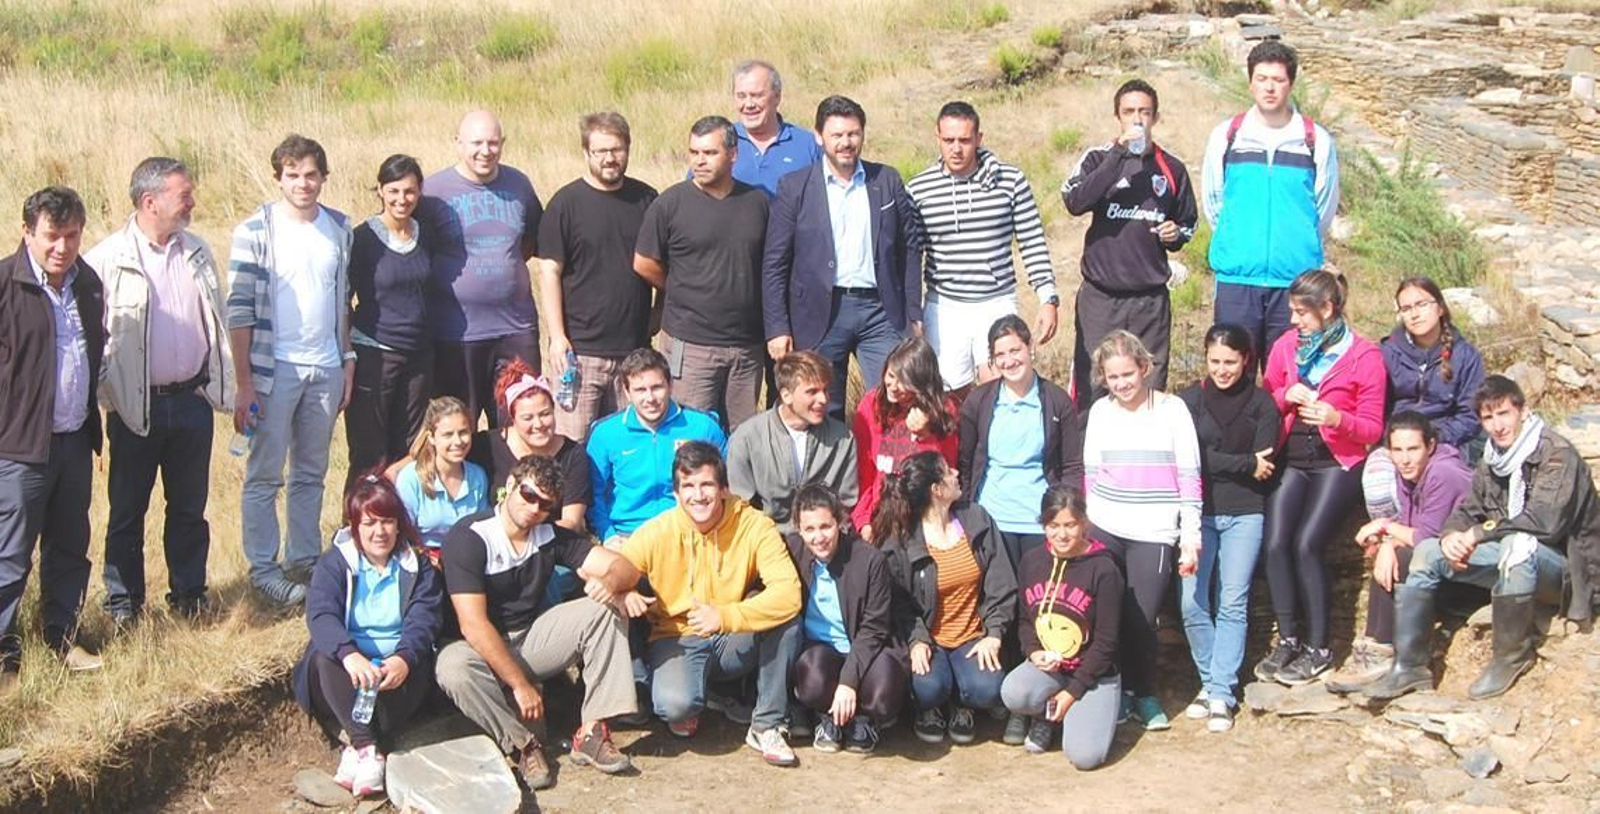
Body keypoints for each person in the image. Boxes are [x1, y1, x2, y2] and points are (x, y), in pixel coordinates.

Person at [1367, 376, 1600, 701]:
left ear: (1523, 411)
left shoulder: (1556, 455)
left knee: (1519, 546)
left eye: (1504, 413)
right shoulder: (1493, 459)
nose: (1497, 425)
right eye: (1488, 418)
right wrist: (1450, 535)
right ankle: (1410, 665)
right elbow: (1469, 509)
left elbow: (1543, 523)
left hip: (1565, 569)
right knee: (1428, 552)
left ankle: (1510, 656)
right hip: (1509, 557)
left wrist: (1477, 533)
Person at [436, 455, 641, 791]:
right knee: (453, 669)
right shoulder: (470, 537)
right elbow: (473, 626)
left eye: (546, 504)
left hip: (529, 637)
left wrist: (610, 584)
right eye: (529, 495)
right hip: (476, 646)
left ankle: (592, 731)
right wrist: (520, 686)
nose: (534, 508)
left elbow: (626, 569)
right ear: (510, 487)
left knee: (604, 610)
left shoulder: (549, 534)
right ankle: (523, 744)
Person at [87, 158, 232, 625]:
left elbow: (217, 321)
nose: (192, 202)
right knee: (128, 511)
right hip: (136, 408)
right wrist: (106, 399)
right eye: (183, 195)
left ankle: (189, 595)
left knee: (190, 508)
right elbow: (93, 338)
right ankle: (123, 605)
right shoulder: (107, 259)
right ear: (150, 201)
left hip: (191, 402)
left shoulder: (198, 251)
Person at [614, 442, 803, 767]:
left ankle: (767, 724)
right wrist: (621, 590)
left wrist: (727, 616)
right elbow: (608, 570)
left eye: (706, 485)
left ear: (724, 489)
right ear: (675, 493)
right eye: (688, 486)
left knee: (785, 617)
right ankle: (706, 693)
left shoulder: (754, 525)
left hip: (733, 634)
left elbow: (789, 593)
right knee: (675, 707)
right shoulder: (658, 530)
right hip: (676, 640)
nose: (698, 495)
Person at [227, 134, 355, 608]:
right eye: (293, 174)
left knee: (311, 472)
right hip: (273, 367)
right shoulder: (256, 230)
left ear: (324, 177)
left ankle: (303, 559)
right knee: (264, 474)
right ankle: (264, 568)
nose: (304, 183)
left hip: (324, 367)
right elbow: (238, 309)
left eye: (312, 174)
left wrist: (346, 360)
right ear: (278, 177)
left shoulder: (340, 229)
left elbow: (344, 302)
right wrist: (244, 382)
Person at [1256, 269, 1386, 685]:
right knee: (1275, 543)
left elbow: (1371, 428)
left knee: (1307, 543)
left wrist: (1336, 417)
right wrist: (1283, 398)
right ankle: (1288, 638)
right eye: (1292, 312)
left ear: (1327, 309)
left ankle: (1320, 646)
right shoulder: (1284, 348)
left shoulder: (1364, 357)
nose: (1294, 321)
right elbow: (1265, 402)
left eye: (1302, 313)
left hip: (1337, 461)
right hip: (1293, 458)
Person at [0, 186, 106, 684]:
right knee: (10, 553)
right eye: (51, 236)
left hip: (72, 440)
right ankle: (4, 653)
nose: (62, 247)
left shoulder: (87, 284)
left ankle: (61, 638)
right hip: (18, 447)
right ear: (27, 233)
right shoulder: (6, 285)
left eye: (71, 235)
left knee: (68, 545)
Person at [762, 95, 921, 419]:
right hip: (821, 312)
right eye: (837, 135)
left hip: (880, 311)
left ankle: (883, 469)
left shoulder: (886, 180)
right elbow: (775, 262)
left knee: (892, 400)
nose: (846, 143)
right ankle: (830, 471)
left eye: (853, 134)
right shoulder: (795, 187)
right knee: (821, 406)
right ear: (819, 136)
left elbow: (910, 249)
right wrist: (777, 326)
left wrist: (914, 314)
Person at [292, 475, 443, 798]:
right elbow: (320, 615)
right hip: (346, 681)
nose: (379, 532)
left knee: (418, 663)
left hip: (397, 674)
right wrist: (350, 655)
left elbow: (424, 618)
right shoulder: (334, 563)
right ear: (355, 526)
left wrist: (403, 658)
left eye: (387, 521)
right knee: (325, 655)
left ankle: (357, 748)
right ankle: (368, 749)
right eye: (370, 523)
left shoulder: (417, 565)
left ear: (399, 524)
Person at [1082, 330, 1201, 731]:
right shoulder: (1100, 412)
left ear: (1144, 368)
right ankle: (1113, 692)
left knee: (1141, 617)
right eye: (1112, 377)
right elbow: (1091, 475)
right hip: (1106, 525)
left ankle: (1143, 692)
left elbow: (1189, 476)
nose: (1121, 384)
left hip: (1154, 530)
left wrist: (1191, 536)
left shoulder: (1172, 411)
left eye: (1127, 375)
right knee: (1107, 614)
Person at [1202, 41, 1340, 371]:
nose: (1269, 87)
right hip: (1238, 281)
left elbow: (1323, 208)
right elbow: (1214, 202)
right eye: (1262, 78)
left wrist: (1293, 246)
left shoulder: (1314, 140)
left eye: (1277, 80)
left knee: (1293, 377)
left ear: (1290, 84)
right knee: (1235, 377)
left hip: (1295, 283)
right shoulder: (1228, 135)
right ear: (1250, 82)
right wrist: (1240, 245)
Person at [1062, 79, 1198, 405]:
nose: (1137, 119)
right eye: (1129, 112)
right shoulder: (1099, 158)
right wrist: (1120, 155)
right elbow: (1074, 201)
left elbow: (1188, 224)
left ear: (1156, 117)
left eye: (1144, 112)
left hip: (1149, 299)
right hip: (1101, 296)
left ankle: (1146, 454)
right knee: (1094, 385)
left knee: (1149, 387)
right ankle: (1087, 455)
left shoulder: (1171, 168)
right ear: (1117, 117)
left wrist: (1175, 234)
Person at [906, 101, 1057, 394]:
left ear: (979, 139)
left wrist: (1047, 298)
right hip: (945, 306)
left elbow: (1032, 240)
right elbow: (912, 257)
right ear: (937, 137)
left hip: (996, 301)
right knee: (948, 395)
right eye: (948, 140)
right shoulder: (919, 189)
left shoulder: (1010, 181)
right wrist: (913, 313)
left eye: (964, 140)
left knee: (1002, 388)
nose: (956, 149)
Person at [634, 115, 770, 430]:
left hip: (746, 347)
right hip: (691, 342)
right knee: (689, 433)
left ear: (733, 154)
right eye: (694, 153)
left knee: (742, 437)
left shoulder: (757, 203)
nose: (700, 161)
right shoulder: (671, 203)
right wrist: (679, 286)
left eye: (709, 153)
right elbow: (643, 261)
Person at [1176, 325, 1280, 732]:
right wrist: (1240, 461)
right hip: (1198, 512)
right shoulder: (1188, 402)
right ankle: (1211, 681)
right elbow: (1187, 457)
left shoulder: (1261, 404)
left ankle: (1220, 691)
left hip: (1244, 512)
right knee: (1190, 601)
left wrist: (1213, 458)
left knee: (1232, 601)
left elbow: (1264, 466)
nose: (1222, 370)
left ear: (1246, 361)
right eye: (1215, 361)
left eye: (1230, 362)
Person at [1327, 412, 1471, 693]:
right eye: (1397, 450)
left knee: (1403, 557)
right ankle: (1375, 652)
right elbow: (1408, 525)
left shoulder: (1443, 473)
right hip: (1437, 568)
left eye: (1413, 449)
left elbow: (1428, 538)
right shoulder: (1410, 474)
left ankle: (1380, 655)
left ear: (1430, 446)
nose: (1405, 459)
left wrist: (1384, 527)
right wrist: (1386, 544)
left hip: (1469, 573)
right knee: (1390, 556)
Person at [878, 451, 1016, 745]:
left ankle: (961, 705)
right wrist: (916, 639)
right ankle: (929, 707)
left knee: (987, 688)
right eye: (947, 470)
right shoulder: (903, 539)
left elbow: (1000, 583)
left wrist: (994, 633)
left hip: (972, 636)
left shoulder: (976, 519)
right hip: (930, 639)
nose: (955, 472)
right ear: (937, 490)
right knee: (928, 688)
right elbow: (899, 604)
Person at [538, 112, 658, 443]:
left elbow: (667, 265)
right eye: (600, 151)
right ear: (586, 152)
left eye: (617, 149)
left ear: (628, 149)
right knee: (572, 445)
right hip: (580, 352)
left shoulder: (648, 201)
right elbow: (549, 270)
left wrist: (658, 312)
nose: (609, 158)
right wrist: (557, 336)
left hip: (633, 351)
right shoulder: (565, 204)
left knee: (628, 445)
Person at [420, 110, 543, 429]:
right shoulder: (433, 192)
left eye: (493, 143)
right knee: (460, 429)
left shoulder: (519, 184)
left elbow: (530, 242)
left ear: (503, 143)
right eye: (476, 142)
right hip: (456, 333)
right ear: (458, 143)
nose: (485, 151)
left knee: (521, 424)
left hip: (515, 330)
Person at [1000, 486, 1124, 766]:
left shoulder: (1104, 569)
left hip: (1095, 674)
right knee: (1013, 692)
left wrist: (1072, 693)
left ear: (1084, 523)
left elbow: (1106, 642)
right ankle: (1046, 716)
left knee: (1085, 757)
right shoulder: (1032, 561)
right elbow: (1025, 621)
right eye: (1053, 525)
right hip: (1053, 670)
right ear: (1043, 525)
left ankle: (1078, 711)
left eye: (1070, 525)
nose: (1062, 534)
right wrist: (1033, 652)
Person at [785, 483, 905, 755]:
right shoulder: (790, 551)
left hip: (865, 647)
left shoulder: (870, 560)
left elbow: (874, 629)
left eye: (826, 527)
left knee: (883, 693)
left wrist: (849, 681)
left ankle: (863, 719)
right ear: (798, 528)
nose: (819, 538)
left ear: (839, 521)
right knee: (812, 682)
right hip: (819, 649)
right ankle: (827, 717)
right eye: (810, 529)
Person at [958, 315, 1083, 572]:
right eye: (1000, 354)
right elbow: (966, 464)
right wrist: (966, 516)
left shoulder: (1057, 402)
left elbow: (1071, 467)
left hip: (1040, 521)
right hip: (991, 521)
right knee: (1001, 603)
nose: (1009, 360)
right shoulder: (978, 402)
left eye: (1015, 350)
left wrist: (1065, 517)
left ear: (1030, 348)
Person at [1362, 276, 1487, 522]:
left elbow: (1470, 415)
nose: (1414, 314)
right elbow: (1376, 407)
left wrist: (1433, 438)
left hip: (1444, 438)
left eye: (1422, 305)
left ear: (1440, 308)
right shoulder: (1386, 353)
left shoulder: (1465, 355)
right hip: (1396, 441)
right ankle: (1390, 539)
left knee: (1439, 476)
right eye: (1406, 308)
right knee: (1377, 482)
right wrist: (1394, 440)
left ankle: (1423, 541)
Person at [345, 154, 434, 490]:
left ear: (419, 191)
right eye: (393, 191)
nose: (402, 199)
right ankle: (356, 529)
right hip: (374, 356)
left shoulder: (426, 234)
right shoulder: (363, 239)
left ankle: (401, 529)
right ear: (380, 190)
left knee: (410, 448)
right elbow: (344, 299)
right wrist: (347, 355)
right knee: (369, 452)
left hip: (420, 356)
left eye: (409, 191)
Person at [587, 348, 727, 548]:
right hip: (629, 534)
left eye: (657, 387)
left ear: (670, 385)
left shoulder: (703, 427)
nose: (650, 398)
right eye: (640, 390)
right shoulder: (605, 433)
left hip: (692, 532)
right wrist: (607, 534)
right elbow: (593, 493)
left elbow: (725, 485)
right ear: (626, 392)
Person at [728, 351, 859, 533]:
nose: (823, 399)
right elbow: (741, 507)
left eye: (825, 390)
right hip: (768, 540)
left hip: (824, 540)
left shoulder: (842, 438)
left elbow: (846, 505)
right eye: (812, 392)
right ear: (786, 395)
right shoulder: (747, 438)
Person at [851, 336, 958, 541]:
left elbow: (946, 473)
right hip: (881, 515)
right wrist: (863, 520)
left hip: (926, 517)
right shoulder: (871, 405)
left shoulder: (945, 410)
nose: (893, 385)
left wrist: (926, 435)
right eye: (891, 375)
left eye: (904, 381)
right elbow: (863, 472)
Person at [469, 360, 592, 533]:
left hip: (550, 543)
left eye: (545, 414)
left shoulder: (573, 454)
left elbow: (572, 522)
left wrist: (527, 537)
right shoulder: (485, 445)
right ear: (513, 418)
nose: (539, 424)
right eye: (528, 418)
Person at [393, 397, 489, 563]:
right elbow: (402, 534)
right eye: (448, 435)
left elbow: (484, 528)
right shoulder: (411, 478)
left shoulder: (477, 476)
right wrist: (427, 558)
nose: (457, 441)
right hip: (421, 560)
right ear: (431, 437)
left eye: (463, 432)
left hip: (466, 559)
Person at [727, 60, 823, 198]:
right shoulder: (720, 142)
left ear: (777, 96)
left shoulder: (808, 145)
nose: (748, 104)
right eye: (741, 96)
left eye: (757, 95)